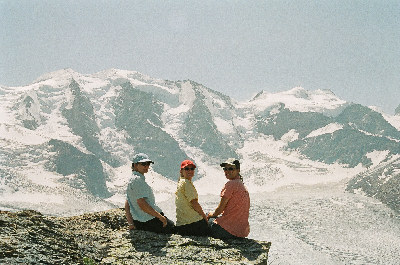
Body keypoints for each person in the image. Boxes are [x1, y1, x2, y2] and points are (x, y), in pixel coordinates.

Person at [125, 153, 175, 233]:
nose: (146, 166)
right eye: (143, 164)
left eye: (148, 164)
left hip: (141, 221)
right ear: (135, 165)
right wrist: (160, 217)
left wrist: (131, 223)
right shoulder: (137, 180)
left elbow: (128, 202)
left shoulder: (133, 179)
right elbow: (142, 203)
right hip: (149, 220)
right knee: (174, 229)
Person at [207, 158, 250, 239]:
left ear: (238, 170)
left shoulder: (231, 184)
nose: (227, 171)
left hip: (227, 231)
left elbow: (219, 210)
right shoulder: (241, 185)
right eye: (225, 169)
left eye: (231, 168)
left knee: (205, 218)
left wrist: (210, 215)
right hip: (241, 232)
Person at [175, 160, 209, 236]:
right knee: (213, 222)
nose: (190, 171)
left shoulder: (181, 182)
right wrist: (204, 218)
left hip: (182, 225)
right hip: (192, 224)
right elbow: (194, 203)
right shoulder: (186, 183)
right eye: (187, 169)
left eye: (192, 169)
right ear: (181, 171)